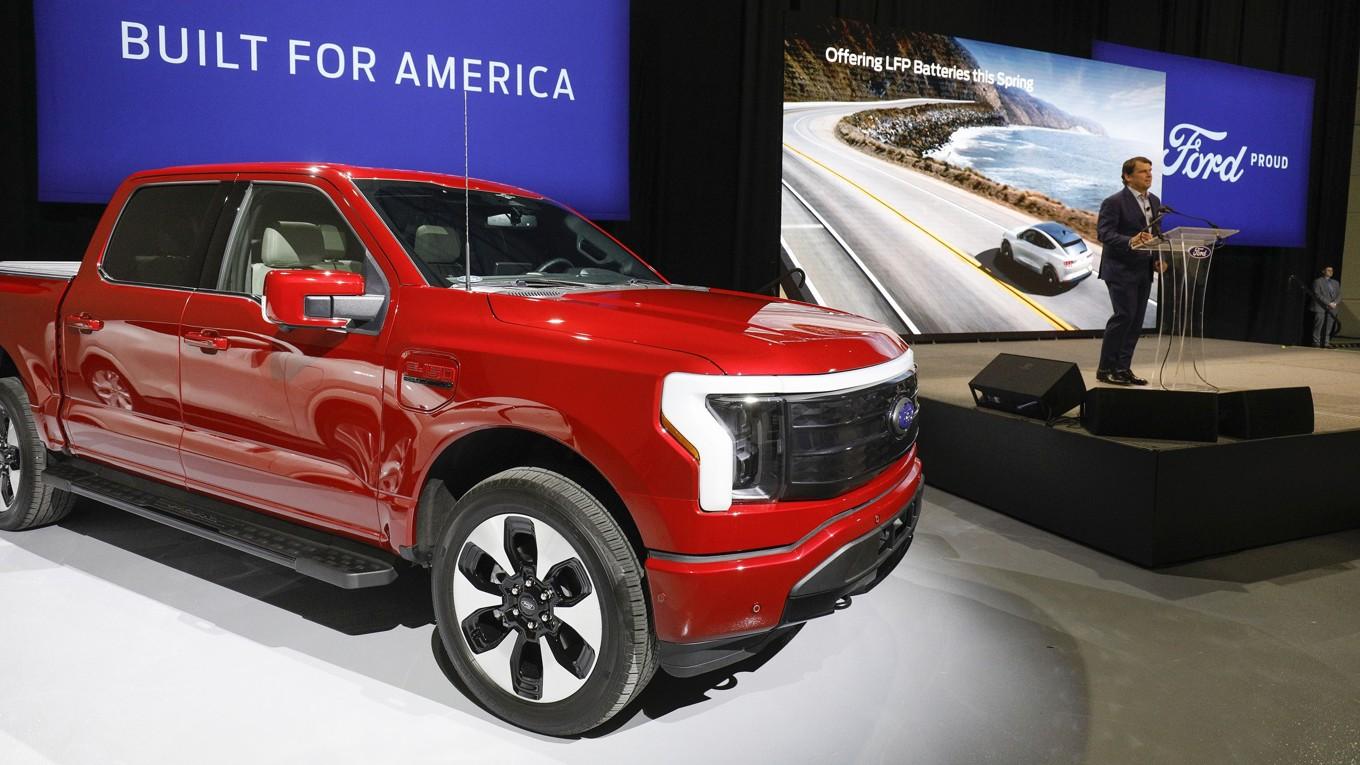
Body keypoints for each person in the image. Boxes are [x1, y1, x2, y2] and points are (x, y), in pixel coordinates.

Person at [1096, 156, 1167, 385]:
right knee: (1124, 316)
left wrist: (1158, 258)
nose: (1149, 175)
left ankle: (1123, 368)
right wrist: (1130, 240)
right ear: (1128, 176)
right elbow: (1104, 234)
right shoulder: (1114, 202)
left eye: (1150, 171)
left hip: (1143, 270)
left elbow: (1156, 235)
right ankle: (1105, 369)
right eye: (1143, 172)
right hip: (1119, 268)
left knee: (1136, 321)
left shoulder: (1155, 201)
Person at [1311, 265, 1340, 348]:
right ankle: (1316, 342)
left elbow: (1339, 295)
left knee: (1329, 326)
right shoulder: (1318, 281)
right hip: (1321, 306)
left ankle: (1326, 343)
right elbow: (1317, 294)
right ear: (1323, 271)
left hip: (1333, 307)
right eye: (1328, 270)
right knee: (1319, 324)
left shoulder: (1336, 282)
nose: (1331, 272)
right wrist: (1328, 303)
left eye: (1332, 270)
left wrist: (1335, 303)